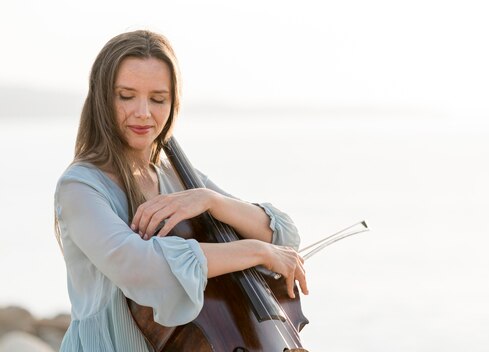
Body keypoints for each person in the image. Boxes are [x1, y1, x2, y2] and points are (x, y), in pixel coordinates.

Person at [53, 29, 308, 351]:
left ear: (174, 103)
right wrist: (257, 252)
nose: (144, 112)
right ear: (102, 98)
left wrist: (210, 200)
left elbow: (283, 237)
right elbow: (140, 266)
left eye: (158, 99)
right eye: (126, 96)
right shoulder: (80, 186)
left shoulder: (176, 177)